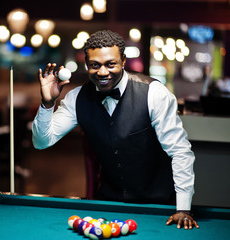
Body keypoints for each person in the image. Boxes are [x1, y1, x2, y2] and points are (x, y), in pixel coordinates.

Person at [32, 30, 199, 230]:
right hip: (109, 205)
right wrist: (47, 103)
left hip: (160, 206)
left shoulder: (153, 93)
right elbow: (42, 141)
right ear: (87, 64)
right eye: (95, 65)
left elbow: (180, 152)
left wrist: (183, 209)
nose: (103, 72)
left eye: (110, 64)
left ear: (123, 61)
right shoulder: (77, 98)